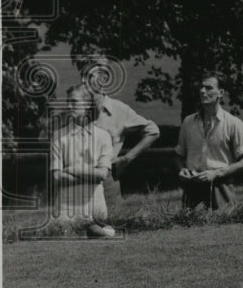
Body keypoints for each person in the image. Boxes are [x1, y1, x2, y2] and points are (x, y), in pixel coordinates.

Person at [76, 53, 160, 207]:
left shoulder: (119, 110)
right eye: (82, 75)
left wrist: (126, 159)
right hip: (76, 183)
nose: (82, 81)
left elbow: (153, 131)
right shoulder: (73, 109)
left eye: (88, 76)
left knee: (111, 226)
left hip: (107, 183)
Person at [175, 71, 243, 209]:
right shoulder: (188, 122)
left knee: (222, 229)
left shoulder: (234, 123)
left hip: (221, 188)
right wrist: (182, 170)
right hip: (192, 189)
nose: (203, 91)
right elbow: (179, 156)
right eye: (201, 88)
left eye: (209, 88)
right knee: (188, 229)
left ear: (221, 93)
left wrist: (216, 173)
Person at [49, 84, 115, 238]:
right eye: (68, 102)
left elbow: (102, 175)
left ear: (87, 104)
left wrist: (71, 169)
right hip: (65, 210)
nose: (69, 106)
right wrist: (91, 174)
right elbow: (57, 176)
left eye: (74, 102)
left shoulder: (103, 136)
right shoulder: (58, 136)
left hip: (95, 209)